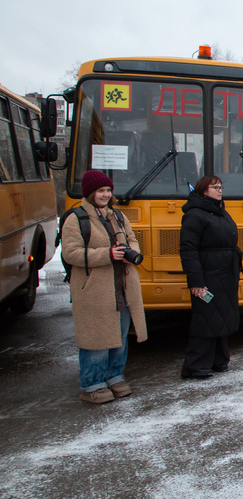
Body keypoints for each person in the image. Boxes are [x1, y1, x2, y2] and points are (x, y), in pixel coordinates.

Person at [61, 170, 147, 403]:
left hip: (122, 286)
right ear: (90, 193)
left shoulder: (117, 215)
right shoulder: (75, 218)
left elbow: (131, 239)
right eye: (100, 191)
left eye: (108, 190)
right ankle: (92, 385)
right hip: (95, 290)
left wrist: (132, 253)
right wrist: (107, 254)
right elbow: (71, 253)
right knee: (96, 339)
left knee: (119, 336)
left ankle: (114, 377)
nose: (106, 195)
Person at [179, 175, 242, 379]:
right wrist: (196, 281)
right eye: (214, 187)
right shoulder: (195, 214)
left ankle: (219, 360)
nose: (219, 190)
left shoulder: (220, 211)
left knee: (221, 317)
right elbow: (188, 250)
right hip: (207, 274)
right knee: (205, 317)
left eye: (220, 186)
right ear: (203, 190)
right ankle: (197, 364)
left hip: (225, 274)